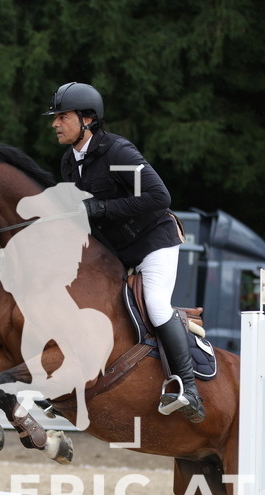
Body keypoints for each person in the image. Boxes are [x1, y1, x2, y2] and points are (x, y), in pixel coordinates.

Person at [44, 81, 205, 423]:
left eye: (62, 117)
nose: (55, 124)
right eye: (55, 118)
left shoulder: (118, 152)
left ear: (87, 119)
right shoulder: (69, 164)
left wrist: (100, 209)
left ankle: (188, 389)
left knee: (157, 303)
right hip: (118, 253)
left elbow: (160, 198)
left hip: (153, 242)